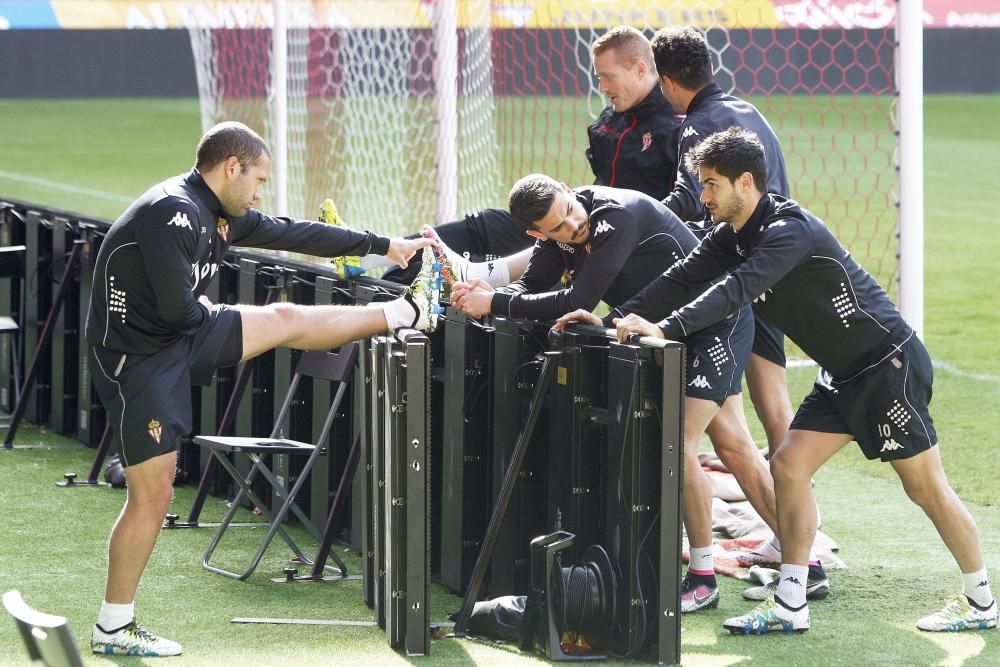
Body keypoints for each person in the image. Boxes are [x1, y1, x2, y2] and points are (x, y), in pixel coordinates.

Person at [585, 126, 995, 634]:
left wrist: (665, 328)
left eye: (711, 184)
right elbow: (682, 277)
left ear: (746, 182)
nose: (703, 196)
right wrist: (613, 320)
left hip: (888, 367)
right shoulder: (730, 234)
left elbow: (736, 289)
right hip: (844, 374)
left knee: (925, 489)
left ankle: (981, 602)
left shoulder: (789, 230)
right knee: (788, 464)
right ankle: (790, 603)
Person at [84, 121, 438, 656]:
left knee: (286, 316)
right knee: (152, 495)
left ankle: (407, 309)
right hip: (138, 361)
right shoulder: (172, 212)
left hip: (176, 336)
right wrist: (217, 316)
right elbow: (181, 310)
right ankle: (112, 626)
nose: (258, 193)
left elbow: (292, 232)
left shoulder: (217, 211)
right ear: (232, 167)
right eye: (258, 180)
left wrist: (388, 246)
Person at [451, 174, 811, 613]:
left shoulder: (612, 215)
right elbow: (531, 289)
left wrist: (496, 304)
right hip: (662, 328)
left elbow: (576, 299)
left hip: (714, 325)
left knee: (676, 447)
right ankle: (806, 565)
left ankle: (701, 577)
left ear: (568, 190)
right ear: (536, 234)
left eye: (570, 211)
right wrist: (491, 294)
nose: (571, 226)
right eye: (557, 228)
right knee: (734, 449)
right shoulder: (556, 235)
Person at [382, 25, 682, 288]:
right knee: (490, 224)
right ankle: (381, 257)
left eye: (608, 77)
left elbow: (683, 210)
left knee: (547, 240)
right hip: (581, 220)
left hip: (614, 240)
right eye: (599, 77)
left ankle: (472, 274)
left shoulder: (675, 126)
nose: (602, 87)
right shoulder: (615, 116)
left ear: (640, 69)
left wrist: (606, 234)